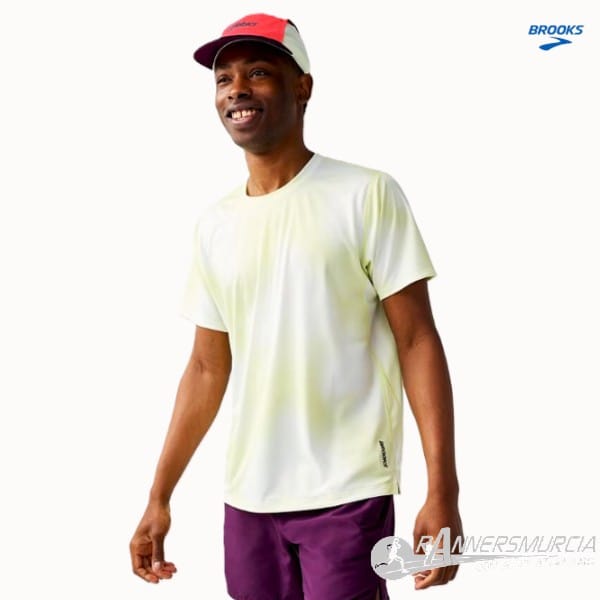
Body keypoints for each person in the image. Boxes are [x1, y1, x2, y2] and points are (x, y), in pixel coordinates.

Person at [129, 12, 463, 599]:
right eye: (224, 78)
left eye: (258, 73)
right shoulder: (215, 225)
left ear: (302, 87)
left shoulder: (366, 194)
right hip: (248, 496)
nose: (236, 89)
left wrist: (444, 490)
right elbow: (206, 367)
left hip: (347, 490)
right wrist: (159, 496)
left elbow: (417, 341)